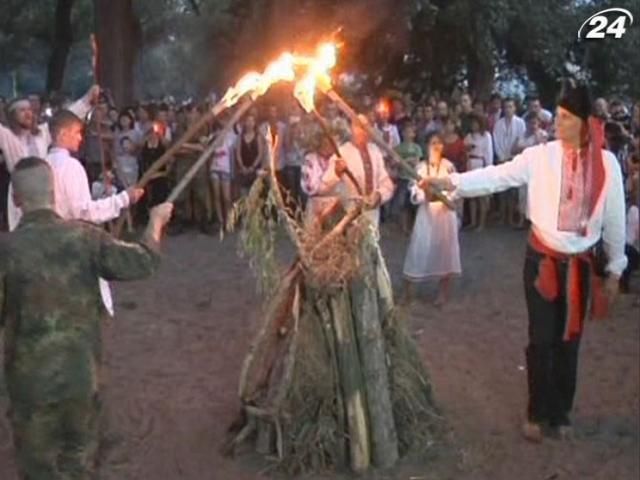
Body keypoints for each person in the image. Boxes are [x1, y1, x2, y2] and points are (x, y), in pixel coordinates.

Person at [424, 80, 627, 443]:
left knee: (570, 341)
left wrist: (614, 269)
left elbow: (614, 220)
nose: (557, 124)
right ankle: (537, 412)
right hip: (542, 263)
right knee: (541, 339)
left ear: (584, 122)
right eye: (558, 117)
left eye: (566, 118)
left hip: (581, 265)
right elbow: (496, 177)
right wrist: (450, 183)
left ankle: (560, 413)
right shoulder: (539, 156)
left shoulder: (607, 163)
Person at [0, 156, 173, 480]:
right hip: (81, 377)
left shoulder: (6, 250)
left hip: (29, 386)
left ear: (16, 199)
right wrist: (155, 222)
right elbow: (143, 262)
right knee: (80, 463)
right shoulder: (84, 238)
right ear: (53, 191)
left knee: (37, 468)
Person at [0, 86, 99, 229]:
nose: (28, 114)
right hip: (21, 187)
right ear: (12, 115)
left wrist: (87, 99)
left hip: (43, 186)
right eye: (22, 111)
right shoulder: (6, 136)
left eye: (29, 110)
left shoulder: (41, 133)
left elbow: (65, 118)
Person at [402, 132, 460, 306]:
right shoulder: (420, 168)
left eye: (439, 143)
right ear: (427, 146)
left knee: (445, 252)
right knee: (418, 250)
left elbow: (456, 187)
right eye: (433, 143)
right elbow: (413, 189)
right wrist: (424, 196)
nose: (436, 147)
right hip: (426, 215)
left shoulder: (449, 167)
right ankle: (409, 293)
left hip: (444, 216)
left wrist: (445, 196)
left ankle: (442, 293)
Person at [318, 115, 394, 229]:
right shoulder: (342, 153)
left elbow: (386, 183)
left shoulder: (375, 151)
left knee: (369, 245)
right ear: (351, 128)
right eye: (359, 127)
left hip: (372, 215)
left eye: (366, 127)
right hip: (348, 216)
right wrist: (336, 173)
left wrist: (378, 195)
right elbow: (323, 186)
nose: (363, 131)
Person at [493, 97, 526, 225]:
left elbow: (520, 141)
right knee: (502, 190)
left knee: (513, 190)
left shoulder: (520, 123)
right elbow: (496, 142)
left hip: (515, 159)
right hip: (502, 160)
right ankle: (502, 216)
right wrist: (502, 157)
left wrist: (512, 157)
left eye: (510, 107)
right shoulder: (498, 123)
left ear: (515, 108)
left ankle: (511, 217)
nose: (508, 109)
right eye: (506, 107)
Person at [464, 113, 493, 230]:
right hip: (470, 164)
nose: (473, 125)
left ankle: (481, 223)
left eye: (475, 123)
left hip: (481, 164)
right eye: (472, 123)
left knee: (482, 196)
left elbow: (489, 153)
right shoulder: (468, 136)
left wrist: (489, 169)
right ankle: (473, 221)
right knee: (472, 196)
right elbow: (464, 150)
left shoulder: (486, 136)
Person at [394, 122, 423, 234]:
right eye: (406, 131)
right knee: (402, 204)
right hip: (402, 178)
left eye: (410, 132)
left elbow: (417, 161)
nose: (408, 134)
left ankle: (415, 227)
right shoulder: (398, 148)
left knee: (414, 204)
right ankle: (404, 227)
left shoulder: (417, 147)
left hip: (414, 178)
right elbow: (395, 161)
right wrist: (405, 161)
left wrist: (405, 161)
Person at [210, 114, 237, 231]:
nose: (223, 122)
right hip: (214, 168)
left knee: (226, 197)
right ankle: (221, 221)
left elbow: (233, 153)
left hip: (226, 169)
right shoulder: (213, 136)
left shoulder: (232, 136)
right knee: (216, 196)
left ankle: (229, 220)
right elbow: (208, 150)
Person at [236, 112, 266, 196]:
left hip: (255, 170)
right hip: (243, 170)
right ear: (245, 122)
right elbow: (238, 153)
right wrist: (242, 167)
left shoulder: (258, 136)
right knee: (244, 196)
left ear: (254, 123)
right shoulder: (240, 137)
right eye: (248, 121)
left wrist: (252, 167)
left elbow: (260, 154)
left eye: (252, 121)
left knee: (256, 196)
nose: (249, 123)